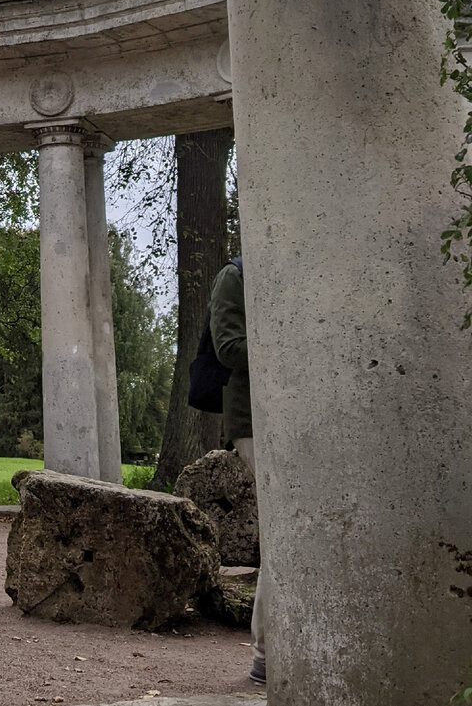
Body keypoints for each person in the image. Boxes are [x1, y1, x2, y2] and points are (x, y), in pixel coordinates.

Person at [208, 253, 267, 686]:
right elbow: (227, 348)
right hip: (253, 418)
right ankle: (267, 654)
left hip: (291, 414)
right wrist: (286, 340)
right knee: (280, 534)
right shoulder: (235, 275)